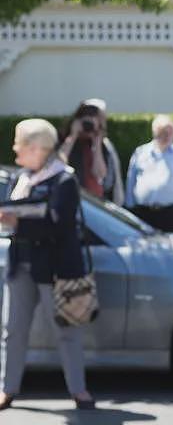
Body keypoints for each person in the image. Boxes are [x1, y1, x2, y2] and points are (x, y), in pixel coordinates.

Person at [0, 119, 95, 411]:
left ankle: (78, 391)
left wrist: (18, 221)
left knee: (66, 331)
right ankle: (7, 389)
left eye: (20, 143)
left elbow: (58, 224)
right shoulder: (20, 178)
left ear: (38, 148)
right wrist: (15, 221)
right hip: (21, 265)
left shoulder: (64, 180)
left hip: (54, 269)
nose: (15, 149)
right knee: (12, 331)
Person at [125, 115, 173, 233]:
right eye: (163, 132)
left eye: (170, 133)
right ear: (155, 132)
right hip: (144, 212)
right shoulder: (141, 152)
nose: (167, 136)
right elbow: (131, 179)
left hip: (171, 213)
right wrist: (130, 205)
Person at [58, 99, 124, 205]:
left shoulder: (102, 145)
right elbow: (58, 163)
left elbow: (100, 174)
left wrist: (97, 143)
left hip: (95, 201)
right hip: (69, 198)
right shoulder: (64, 140)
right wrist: (73, 135)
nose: (88, 127)